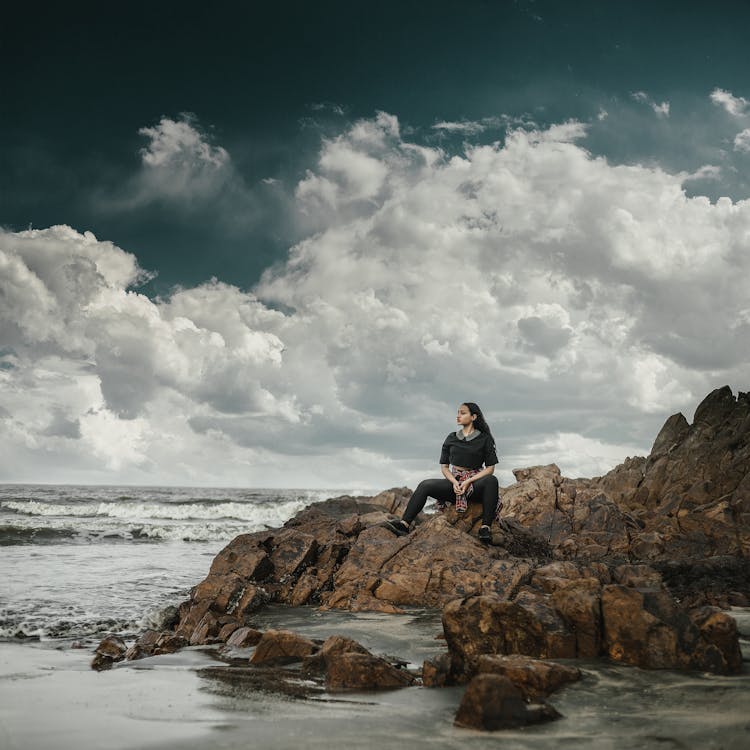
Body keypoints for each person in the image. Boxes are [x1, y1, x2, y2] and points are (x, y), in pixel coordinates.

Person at [387, 402, 501, 543]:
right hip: (455, 485)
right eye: (458, 412)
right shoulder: (451, 437)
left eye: (463, 413)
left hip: (475, 486)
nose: (458, 416)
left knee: (492, 480)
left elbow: (490, 468)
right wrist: (454, 482)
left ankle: (485, 528)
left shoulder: (484, 438)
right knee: (425, 485)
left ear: (473, 416)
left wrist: (467, 481)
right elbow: (444, 467)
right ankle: (404, 524)